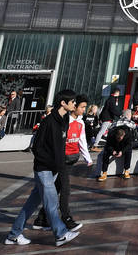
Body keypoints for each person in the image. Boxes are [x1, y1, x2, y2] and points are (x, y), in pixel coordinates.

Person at [4, 89, 80, 247]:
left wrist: (59, 165)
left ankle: (13, 235)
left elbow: (59, 146)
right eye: (72, 101)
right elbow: (37, 147)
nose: (75, 104)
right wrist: (50, 163)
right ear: (63, 103)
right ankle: (61, 234)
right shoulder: (48, 122)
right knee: (51, 203)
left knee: (31, 204)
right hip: (44, 168)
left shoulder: (65, 119)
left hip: (54, 169)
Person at [33, 95, 92, 231]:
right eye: (82, 107)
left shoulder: (81, 123)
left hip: (71, 159)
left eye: (85, 107)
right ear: (74, 106)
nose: (83, 110)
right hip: (61, 159)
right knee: (65, 188)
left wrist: (87, 158)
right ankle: (66, 218)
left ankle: (41, 218)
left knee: (58, 187)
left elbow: (82, 140)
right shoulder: (64, 122)